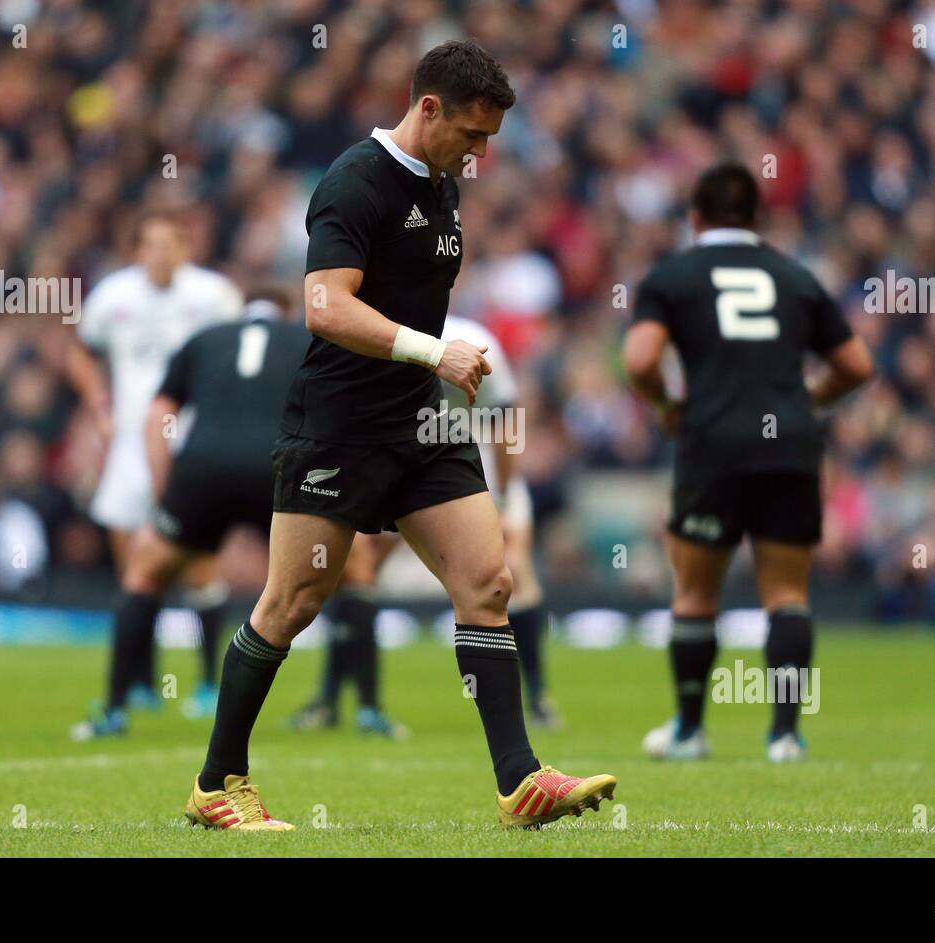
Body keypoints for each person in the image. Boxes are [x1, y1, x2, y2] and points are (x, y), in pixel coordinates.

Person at [184, 41, 615, 832]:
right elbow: (323, 306)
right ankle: (217, 782)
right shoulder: (353, 181)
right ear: (427, 109)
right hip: (339, 428)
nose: (481, 153)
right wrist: (433, 350)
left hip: (419, 422)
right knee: (291, 602)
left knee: (488, 583)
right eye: (472, 134)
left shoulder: (445, 186)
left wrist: (432, 368)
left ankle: (519, 782)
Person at [622, 163, 874, 763]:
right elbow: (857, 366)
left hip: (713, 445)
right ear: (758, 220)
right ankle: (785, 736)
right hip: (790, 444)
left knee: (694, 594)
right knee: (787, 592)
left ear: (695, 217)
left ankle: (689, 731)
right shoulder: (795, 276)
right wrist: (805, 400)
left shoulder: (673, 276)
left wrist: (665, 404)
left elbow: (638, 361)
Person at [289, 314, 560, 737]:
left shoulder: (474, 339)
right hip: (398, 468)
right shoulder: (379, 334)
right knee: (354, 571)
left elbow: (504, 420)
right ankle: (333, 699)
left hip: (470, 470)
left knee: (512, 572)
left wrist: (504, 500)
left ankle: (538, 698)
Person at [72, 295, 309, 739]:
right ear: (285, 312)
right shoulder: (306, 339)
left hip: (202, 470)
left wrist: (166, 494)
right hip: (276, 468)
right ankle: (350, 704)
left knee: (144, 572)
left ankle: (114, 708)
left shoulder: (206, 338)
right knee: (352, 572)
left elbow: (159, 416)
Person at [68, 212, 244, 715]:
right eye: (152, 244)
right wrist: (98, 405)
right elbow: (80, 353)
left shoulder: (213, 297)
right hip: (130, 445)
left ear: (185, 249)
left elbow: (238, 356)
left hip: (192, 443)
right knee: (134, 566)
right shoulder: (113, 297)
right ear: (137, 250)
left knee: (198, 564)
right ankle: (141, 683)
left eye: (171, 244)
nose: (161, 254)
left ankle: (210, 682)